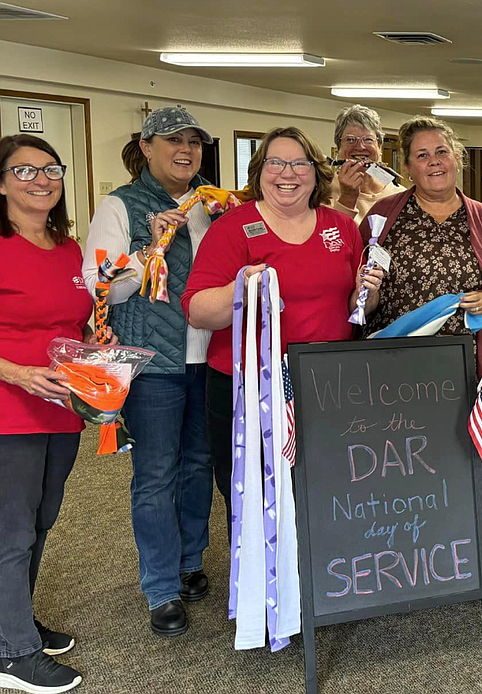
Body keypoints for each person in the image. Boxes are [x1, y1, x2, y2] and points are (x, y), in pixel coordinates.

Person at [182, 126, 383, 525]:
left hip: (328, 384)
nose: (287, 173)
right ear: (259, 172)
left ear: (316, 172)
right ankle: (266, 585)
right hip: (251, 387)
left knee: (327, 488)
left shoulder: (340, 228)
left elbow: (355, 306)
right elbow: (197, 310)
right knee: (256, 499)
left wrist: (369, 291)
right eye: (275, 162)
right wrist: (241, 290)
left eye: (299, 163)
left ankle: (324, 582)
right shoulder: (232, 228)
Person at [82, 106, 219, 638]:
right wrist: (149, 249)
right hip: (152, 364)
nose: (184, 151)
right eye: (172, 141)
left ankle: (189, 561)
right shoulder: (120, 205)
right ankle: (160, 586)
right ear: (146, 147)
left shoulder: (214, 202)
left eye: (193, 142)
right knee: (157, 474)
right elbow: (102, 286)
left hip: (208, 357)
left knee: (199, 464)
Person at [0, 134, 91, 693]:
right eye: (25, 171)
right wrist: (15, 372)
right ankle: (12, 654)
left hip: (62, 408)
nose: (42, 180)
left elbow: (74, 325)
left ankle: (9, 621)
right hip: (10, 409)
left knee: (39, 522)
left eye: (51, 169)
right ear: (2, 181)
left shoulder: (68, 248)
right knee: (10, 532)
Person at [358, 116, 482, 381]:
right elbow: (356, 283)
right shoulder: (383, 215)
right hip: (391, 360)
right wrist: (365, 293)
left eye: (442, 152)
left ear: (456, 158)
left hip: (463, 365)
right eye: (422, 155)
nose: (434, 161)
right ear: (409, 167)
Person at [328, 104, 405, 223]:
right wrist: (347, 198)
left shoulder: (399, 195)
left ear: (379, 146)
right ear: (339, 147)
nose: (360, 147)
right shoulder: (322, 191)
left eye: (368, 139)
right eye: (350, 139)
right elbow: (328, 237)